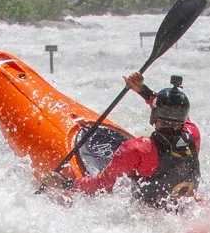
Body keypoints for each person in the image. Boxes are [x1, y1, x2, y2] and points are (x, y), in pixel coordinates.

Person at [69, 73, 200, 206]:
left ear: (154, 114)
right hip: (186, 212)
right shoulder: (193, 135)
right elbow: (176, 112)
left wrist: (67, 184)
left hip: (147, 219)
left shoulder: (139, 149)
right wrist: (142, 89)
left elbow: (103, 184)